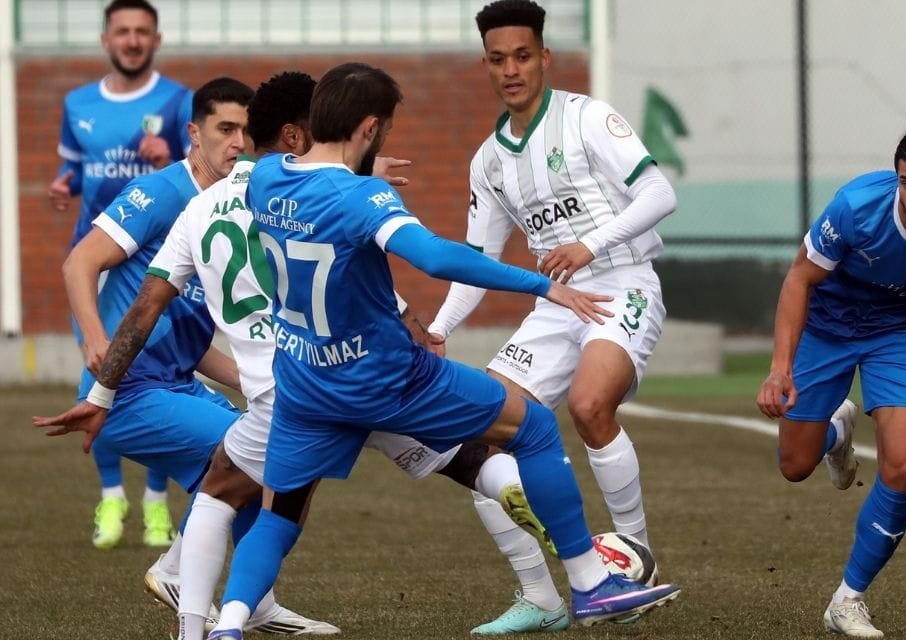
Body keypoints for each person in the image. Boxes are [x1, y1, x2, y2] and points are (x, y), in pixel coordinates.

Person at [36, 71, 555, 640]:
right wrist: (416, 324)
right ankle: (559, 560)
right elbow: (349, 278)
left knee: (226, 488)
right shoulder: (297, 198)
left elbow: (144, 308)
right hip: (352, 371)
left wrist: (101, 390)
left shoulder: (201, 209)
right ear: (292, 136)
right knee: (470, 456)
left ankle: (205, 625)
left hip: (287, 393)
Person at [202, 62, 680, 640]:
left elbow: (288, 173)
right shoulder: (362, 196)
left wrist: (353, 167)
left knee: (280, 516)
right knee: (529, 427)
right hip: (386, 379)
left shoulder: (269, 177)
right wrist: (540, 284)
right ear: (372, 126)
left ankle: (227, 625)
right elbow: (433, 257)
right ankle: (588, 582)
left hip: (306, 386)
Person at [37, 76, 337, 635]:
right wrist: (93, 339)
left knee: (265, 458)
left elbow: (192, 344)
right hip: (126, 393)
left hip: (173, 385)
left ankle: (254, 601)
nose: (237, 143)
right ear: (193, 134)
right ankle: (179, 575)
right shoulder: (165, 194)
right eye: (225, 130)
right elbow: (79, 263)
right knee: (260, 458)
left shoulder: (239, 205)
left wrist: (252, 382)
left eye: (246, 132)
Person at [426, 1, 680, 630]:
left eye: (521, 56)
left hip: (620, 285)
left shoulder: (588, 117)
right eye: (496, 59)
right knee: (478, 433)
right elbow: (476, 263)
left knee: (592, 405)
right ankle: (540, 598)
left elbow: (660, 192)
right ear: (486, 65)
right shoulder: (488, 160)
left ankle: (632, 559)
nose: (510, 69)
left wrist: (592, 245)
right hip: (556, 304)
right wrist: (437, 328)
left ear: (544, 57)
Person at [756, 123, 906, 638]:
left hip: (900, 333)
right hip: (827, 326)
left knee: (904, 467)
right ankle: (836, 431)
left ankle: (848, 599)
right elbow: (799, 278)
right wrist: (781, 367)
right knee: (795, 465)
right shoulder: (856, 206)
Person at [49, 0, 193, 551]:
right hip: (97, 262)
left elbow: (196, 173)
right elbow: (77, 165)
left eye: (142, 31)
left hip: (161, 265)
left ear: (157, 39)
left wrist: (165, 158)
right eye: (123, 31)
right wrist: (66, 183)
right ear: (106, 39)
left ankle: (157, 502)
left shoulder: (179, 101)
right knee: (99, 375)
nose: (132, 40)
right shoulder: (77, 102)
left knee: (161, 379)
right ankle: (111, 496)